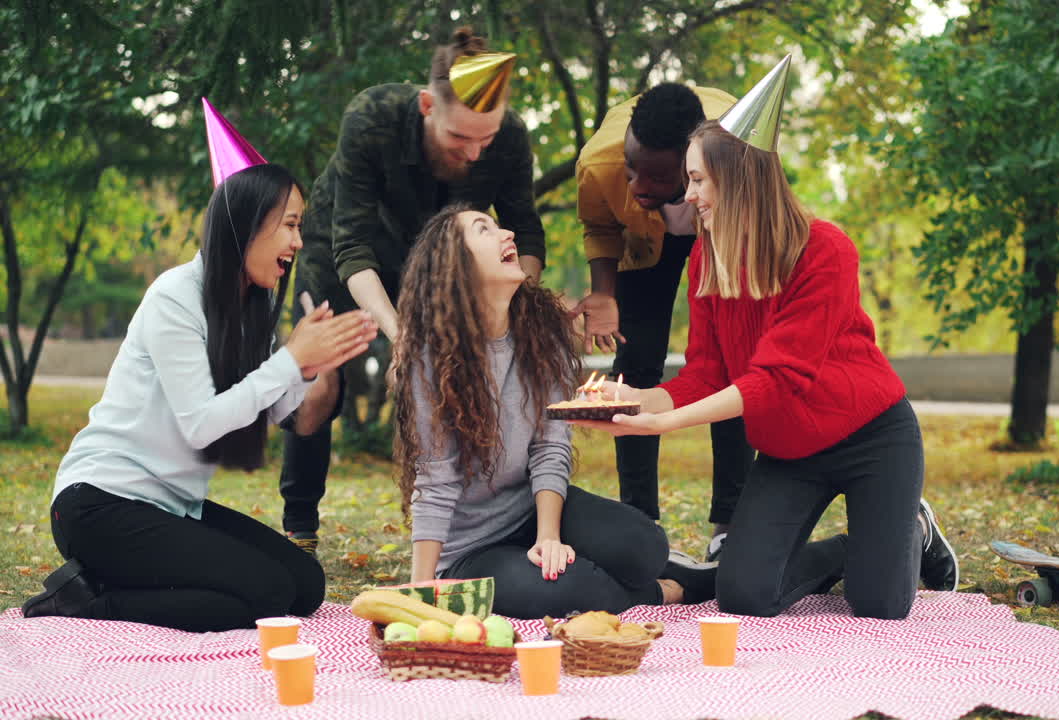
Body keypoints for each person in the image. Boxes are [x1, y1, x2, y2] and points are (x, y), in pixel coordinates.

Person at [574, 57, 958, 619]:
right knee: (744, 594)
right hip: (790, 450)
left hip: (871, 437)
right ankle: (852, 550)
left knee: (879, 605)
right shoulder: (707, 256)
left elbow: (776, 378)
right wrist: (630, 401)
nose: (689, 196)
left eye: (698, 180)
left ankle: (911, 531)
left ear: (738, 178)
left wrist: (663, 421)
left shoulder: (827, 250)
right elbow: (707, 373)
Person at [21, 163, 379, 631]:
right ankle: (89, 600)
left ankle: (123, 587)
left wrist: (323, 366)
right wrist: (290, 361)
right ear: (248, 224)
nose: (297, 242)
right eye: (290, 225)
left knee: (304, 585)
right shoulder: (175, 298)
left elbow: (301, 419)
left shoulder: (256, 308)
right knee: (267, 593)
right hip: (98, 506)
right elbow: (202, 424)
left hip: (173, 507)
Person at [281, 28, 545, 553]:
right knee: (319, 384)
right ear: (427, 105)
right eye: (459, 139)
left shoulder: (510, 136)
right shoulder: (373, 116)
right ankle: (299, 527)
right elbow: (351, 246)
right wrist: (400, 333)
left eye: (485, 140)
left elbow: (526, 231)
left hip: (437, 264)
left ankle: (472, 525)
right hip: (343, 257)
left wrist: (520, 308)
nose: (474, 153)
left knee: (458, 375)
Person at [392, 205, 714, 618]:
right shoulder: (429, 359)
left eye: (498, 223)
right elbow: (435, 481)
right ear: (456, 265)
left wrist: (547, 535)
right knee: (567, 587)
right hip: (472, 550)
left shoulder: (541, 332)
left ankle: (627, 571)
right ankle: (660, 593)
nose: (506, 232)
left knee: (644, 546)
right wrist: (423, 589)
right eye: (483, 230)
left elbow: (550, 446)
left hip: (531, 509)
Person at [572, 82, 752, 561]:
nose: (636, 187)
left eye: (653, 178)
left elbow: (764, 214)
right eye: (632, 170)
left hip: (721, 238)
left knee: (735, 369)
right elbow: (600, 226)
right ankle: (639, 518)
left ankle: (730, 523)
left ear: (694, 165)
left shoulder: (739, 153)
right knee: (636, 363)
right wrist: (605, 294)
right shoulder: (598, 164)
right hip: (642, 247)